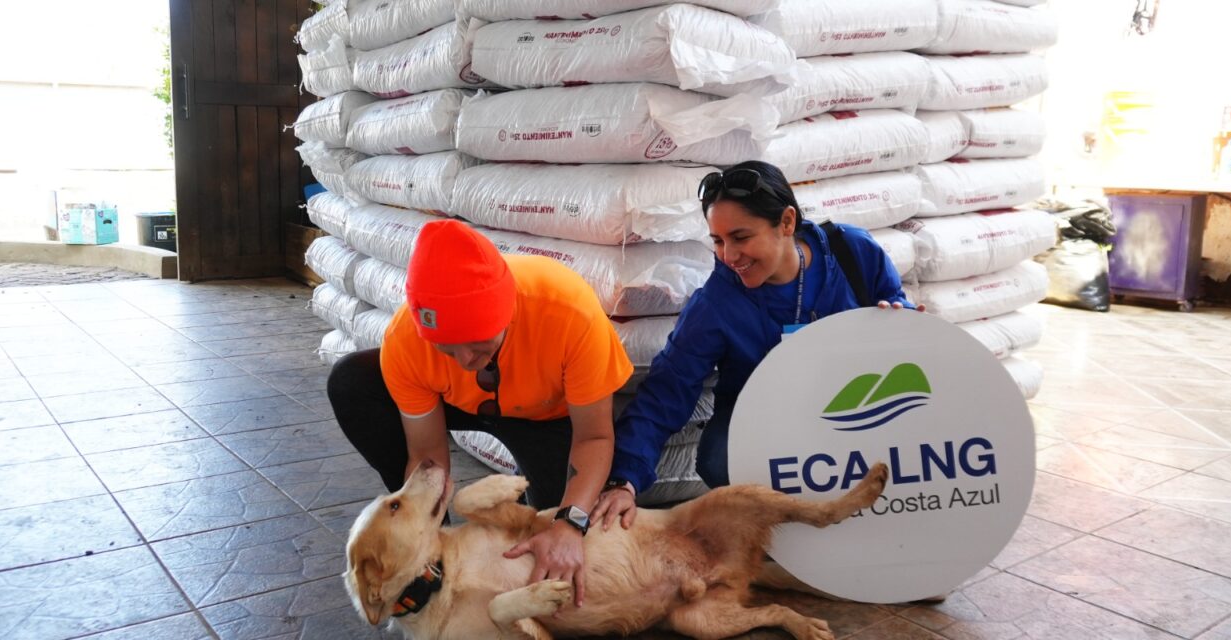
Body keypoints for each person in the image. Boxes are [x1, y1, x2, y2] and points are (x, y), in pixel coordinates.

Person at [592, 161, 922, 529]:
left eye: (741, 237)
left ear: (786, 223)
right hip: (763, 412)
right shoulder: (716, 305)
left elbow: (894, 304)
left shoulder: (852, 252)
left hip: (856, 401)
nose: (729, 256)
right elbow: (668, 390)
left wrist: (899, 319)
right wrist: (624, 480)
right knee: (719, 459)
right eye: (717, 241)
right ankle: (787, 537)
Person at [328, 220, 633, 605]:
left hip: (547, 417)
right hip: (458, 404)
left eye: (475, 343)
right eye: (446, 349)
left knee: (556, 534)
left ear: (506, 312)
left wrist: (570, 522)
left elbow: (594, 437)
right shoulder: (406, 340)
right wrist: (422, 536)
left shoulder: (568, 312)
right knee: (353, 381)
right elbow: (427, 458)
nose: (465, 362)